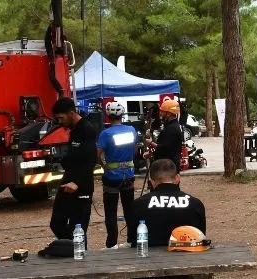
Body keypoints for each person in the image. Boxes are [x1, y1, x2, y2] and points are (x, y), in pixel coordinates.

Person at [50, 97, 98, 247]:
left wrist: (77, 182)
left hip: (81, 186)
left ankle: (79, 254)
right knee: (56, 223)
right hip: (67, 182)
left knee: (78, 228)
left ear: (71, 113)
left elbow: (90, 160)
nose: (59, 121)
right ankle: (70, 247)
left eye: (61, 118)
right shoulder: (73, 130)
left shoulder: (87, 129)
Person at [128, 159, 205, 247]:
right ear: (177, 178)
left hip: (149, 258)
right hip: (188, 256)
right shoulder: (195, 204)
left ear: (152, 181)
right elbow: (201, 238)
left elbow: (132, 239)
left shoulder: (138, 204)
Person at [96, 101, 138, 249]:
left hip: (112, 176)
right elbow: (134, 151)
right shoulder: (131, 130)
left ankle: (112, 243)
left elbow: (98, 155)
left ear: (108, 116)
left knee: (111, 212)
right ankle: (132, 240)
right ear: (122, 115)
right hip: (128, 175)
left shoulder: (105, 134)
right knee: (129, 210)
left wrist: (104, 165)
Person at [144, 99, 183, 172]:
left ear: (169, 113)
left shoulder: (172, 129)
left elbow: (165, 148)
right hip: (168, 167)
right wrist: (152, 154)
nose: (160, 114)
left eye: (162, 111)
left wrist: (151, 143)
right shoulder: (170, 127)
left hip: (168, 169)